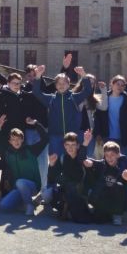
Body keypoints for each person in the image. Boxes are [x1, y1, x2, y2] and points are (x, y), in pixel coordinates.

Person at [31, 64, 91, 192]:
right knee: (54, 162)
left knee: (74, 162)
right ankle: (51, 188)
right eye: (58, 83)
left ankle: (75, 188)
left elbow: (87, 91)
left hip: (72, 138)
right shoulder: (51, 99)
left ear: (69, 84)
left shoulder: (74, 97)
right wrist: (38, 76)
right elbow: (36, 92)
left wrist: (83, 75)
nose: (61, 85)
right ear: (55, 85)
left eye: (64, 83)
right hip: (55, 137)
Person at [0, 115, 48, 216]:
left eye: (19, 139)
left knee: (20, 182)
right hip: (18, 187)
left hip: (33, 186)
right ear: (10, 141)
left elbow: (45, 139)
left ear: (22, 139)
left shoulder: (31, 150)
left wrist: (36, 124)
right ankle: (23, 202)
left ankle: (29, 205)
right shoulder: (8, 153)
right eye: (13, 139)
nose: (16, 141)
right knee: (3, 205)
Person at [45, 131, 91, 222]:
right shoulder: (62, 158)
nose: (70, 148)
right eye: (68, 145)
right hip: (65, 189)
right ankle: (66, 207)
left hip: (81, 190)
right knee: (48, 194)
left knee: (80, 217)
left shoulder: (82, 158)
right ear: (64, 146)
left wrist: (85, 143)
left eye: (73, 145)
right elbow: (52, 178)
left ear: (78, 146)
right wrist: (52, 165)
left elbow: (81, 156)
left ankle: (70, 209)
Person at [83, 141, 127, 225]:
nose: (109, 158)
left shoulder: (123, 165)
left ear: (118, 155)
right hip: (104, 199)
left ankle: (117, 214)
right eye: (107, 155)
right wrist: (85, 144)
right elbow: (85, 159)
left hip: (117, 199)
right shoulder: (101, 164)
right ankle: (107, 213)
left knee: (119, 185)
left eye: (112, 155)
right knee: (98, 220)